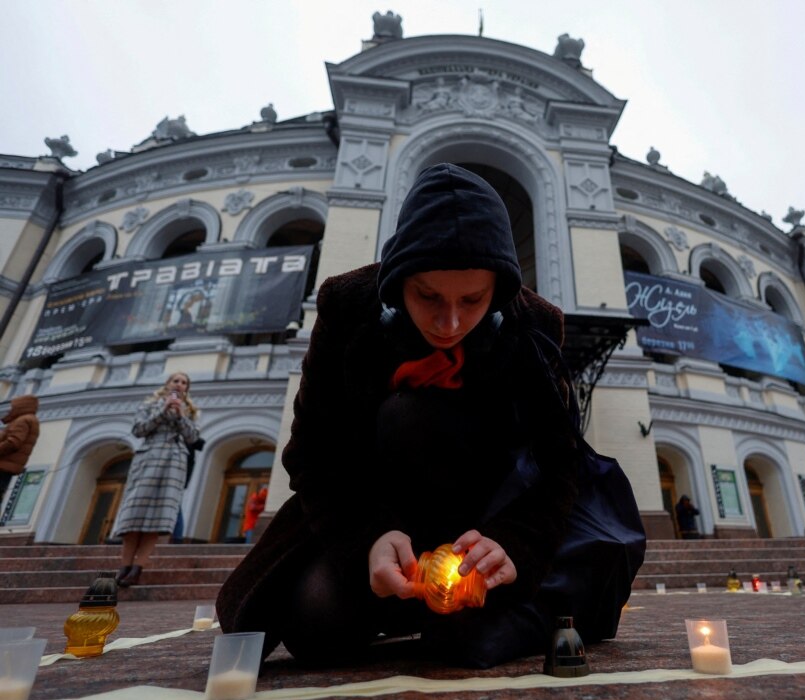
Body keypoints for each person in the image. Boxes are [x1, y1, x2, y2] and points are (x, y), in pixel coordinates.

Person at [217, 164, 592, 668]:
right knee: (317, 630)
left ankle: (512, 612)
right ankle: (404, 591)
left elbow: (558, 464)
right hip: (375, 513)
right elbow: (313, 451)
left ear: (499, 293)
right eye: (428, 296)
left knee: (461, 644)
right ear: (397, 283)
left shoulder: (534, 327)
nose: (450, 321)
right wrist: (368, 538)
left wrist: (512, 545)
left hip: (481, 528)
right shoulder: (348, 308)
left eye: (473, 300)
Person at [110, 372, 200, 587]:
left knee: (157, 520)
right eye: (175, 381)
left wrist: (180, 415)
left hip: (174, 462)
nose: (179, 385)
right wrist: (163, 410)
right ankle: (124, 566)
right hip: (149, 457)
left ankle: (137, 569)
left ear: (187, 388)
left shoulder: (191, 410)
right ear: (167, 384)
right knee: (134, 515)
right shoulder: (150, 404)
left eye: (184, 382)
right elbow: (139, 430)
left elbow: (193, 437)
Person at [0, 395, 40, 499]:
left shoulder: (22, 420)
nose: (10, 409)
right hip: (7, 468)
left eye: (13, 406)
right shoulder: (30, 420)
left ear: (21, 406)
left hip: (3, 465)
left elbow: (13, 442)